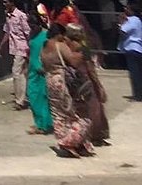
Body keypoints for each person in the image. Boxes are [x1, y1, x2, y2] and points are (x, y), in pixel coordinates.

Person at [42, 23, 95, 157]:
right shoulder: (60, 45)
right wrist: (84, 51)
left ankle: (72, 143)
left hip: (49, 80)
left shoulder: (44, 47)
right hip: (61, 81)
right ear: (60, 34)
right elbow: (74, 62)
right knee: (75, 115)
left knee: (58, 115)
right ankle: (70, 142)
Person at [66, 24, 109, 147]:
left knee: (76, 110)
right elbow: (91, 70)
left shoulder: (66, 47)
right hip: (85, 81)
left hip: (71, 82)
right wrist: (99, 86)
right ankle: (95, 136)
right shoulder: (83, 49)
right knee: (95, 109)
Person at [0, 0, 30, 110]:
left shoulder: (21, 16)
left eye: (6, 2)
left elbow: (28, 32)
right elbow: (8, 32)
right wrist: (1, 45)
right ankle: (23, 98)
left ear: (12, 3)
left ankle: (19, 100)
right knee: (22, 74)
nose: (4, 4)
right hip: (15, 48)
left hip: (22, 47)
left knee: (16, 72)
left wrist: (31, 48)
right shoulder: (8, 16)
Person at [26, 11, 53, 135]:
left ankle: (44, 125)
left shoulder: (46, 34)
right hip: (32, 69)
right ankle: (39, 122)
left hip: (42, 69)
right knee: (32, 95)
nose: (31, 27)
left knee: (43, 96)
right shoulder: (31, 34)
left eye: (33, 24)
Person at [118, 3, 142, 101]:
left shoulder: (132, 20)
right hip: (137, 48)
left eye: (127, 8)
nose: (125, 9)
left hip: (132, 48)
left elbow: (123, 31)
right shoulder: (138, 20)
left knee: (134, 73)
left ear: (132, 11)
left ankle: (138, 95)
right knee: (138, 72)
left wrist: (121, 22)